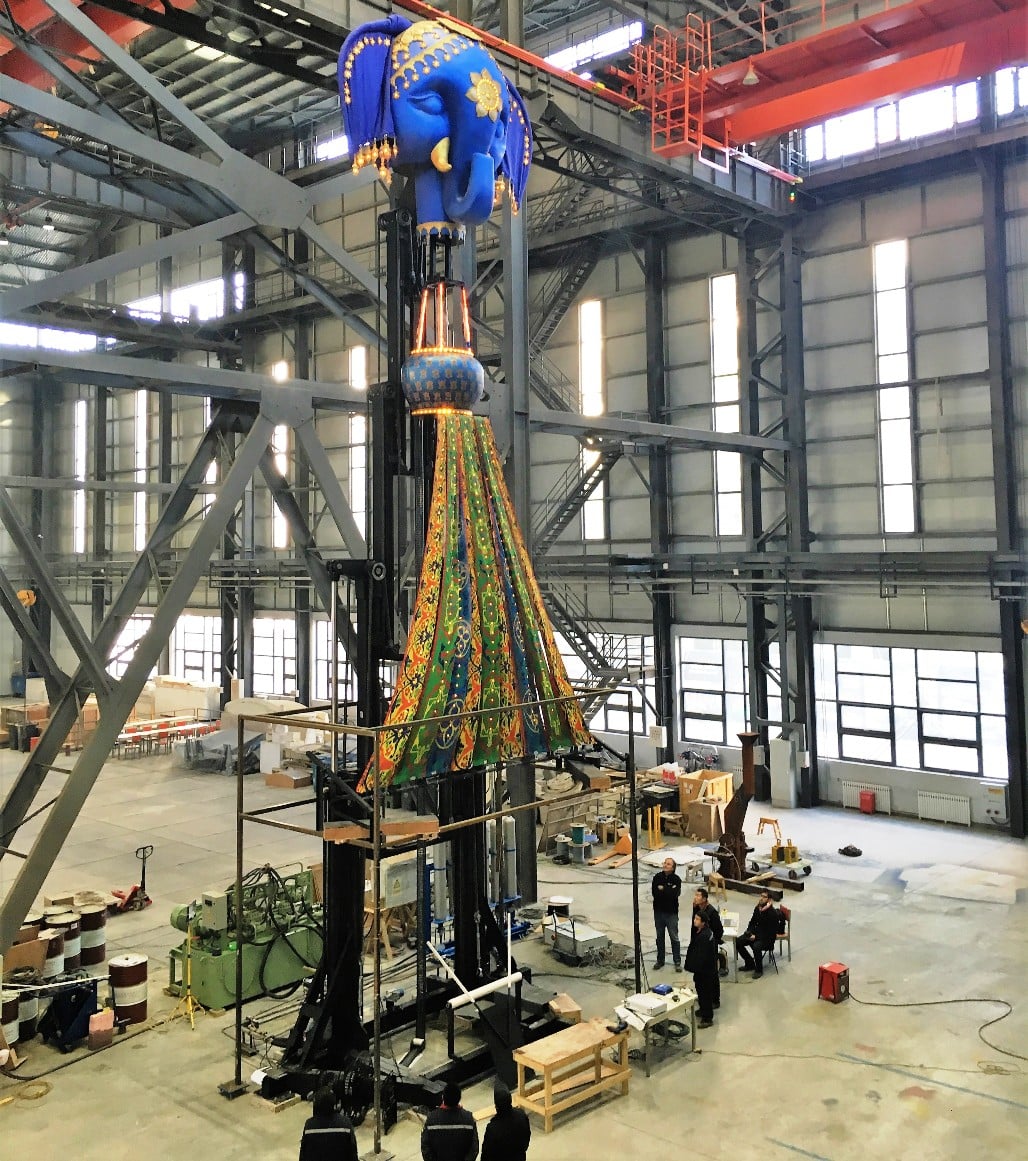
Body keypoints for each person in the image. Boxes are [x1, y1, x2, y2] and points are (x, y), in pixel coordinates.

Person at [421, 1081, 479, 1161]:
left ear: (443, 1098)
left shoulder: (431, 1119)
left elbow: (425, 1148)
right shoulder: (468, 1119)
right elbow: (474, 1149)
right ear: (459, 1098)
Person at [299, 1086, 359, 1161]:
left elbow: (303, 1156)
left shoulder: (310, 1126)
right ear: (333, 1104)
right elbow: (353, 1154)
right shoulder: (346, 1124)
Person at [737, 889, 783, 978]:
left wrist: (756, 937)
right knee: (738, 942)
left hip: (767, 939)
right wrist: (749, 932)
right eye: (761, 896)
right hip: (756, 934)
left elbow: (771, 932)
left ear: (769, 900)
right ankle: (750, 963)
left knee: (756, 946)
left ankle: (759, 970)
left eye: (764, 897)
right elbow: (752, 922)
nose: (761, 898)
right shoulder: (758, 908)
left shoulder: (772, 914)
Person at [684, 910, 718, 1028]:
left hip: (704, 971)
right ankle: (703, 1010)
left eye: (698, 919)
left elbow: (701, 956)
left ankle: (707, 1018)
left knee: (705, 993)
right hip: (702, 970)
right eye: (695, 918)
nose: (695, 920)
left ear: (703, 922)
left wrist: (692, 967)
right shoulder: (703, 932)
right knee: (701, 991)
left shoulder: (704, 936)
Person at [481, 1081, 531, 1161]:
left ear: (496, 1106)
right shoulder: (521, 1115)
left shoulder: (493, 1128)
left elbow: (486, 1155)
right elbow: (527, 1138)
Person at [692, 886, 724, 1008]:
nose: (696, 897)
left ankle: (715, 999)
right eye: (695, 895)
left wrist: (712, 942)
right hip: (700, 946)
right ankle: (704, 998)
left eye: (698, 896)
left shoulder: (712, 912)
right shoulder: (697, 910)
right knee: (701, 975)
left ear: (705, 899)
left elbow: (719, 931)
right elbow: (694, 926)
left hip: (710, 947)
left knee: (712, 974)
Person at [651, 856, 683, 971]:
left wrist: (663, 889)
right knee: (660, 937)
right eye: (665, 863)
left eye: (668, 864)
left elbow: (674, 895)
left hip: (671, 914)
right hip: (658, 913)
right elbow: (655, 893)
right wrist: (667, 890)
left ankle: (677, 961)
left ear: (673, 867)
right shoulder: (657, 877)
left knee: (674, 937)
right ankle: (660, 960)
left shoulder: (677, 880)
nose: (665, 865)